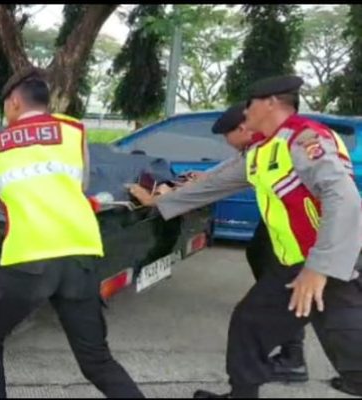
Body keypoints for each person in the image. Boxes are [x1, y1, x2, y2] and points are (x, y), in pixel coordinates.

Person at [135, 75, 362, 398]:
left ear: (271, 103)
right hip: (293, 264)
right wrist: (158, 203)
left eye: (250, 105)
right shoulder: (262, 149)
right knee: (248, 325)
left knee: (351, 352)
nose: (245, 113)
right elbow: (215, 183)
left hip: (326, 264)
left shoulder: (303, 139)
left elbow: (344, 198)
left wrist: (319, 267)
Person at [0, 68, 144, 399]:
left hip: (28, 258)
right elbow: (80, 184)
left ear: (14, 102)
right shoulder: (74, 131)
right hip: (80, 255)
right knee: (96, 360)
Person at [131, 102, 310, 383]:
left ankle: (294, 359)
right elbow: (230, 169)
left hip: (303, 237)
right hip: (286, 229)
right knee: (261, 262)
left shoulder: (271, 148)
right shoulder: (262, 145)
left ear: (243, 128)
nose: (226, 142)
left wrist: (156, 201)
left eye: (228, 135)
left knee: (266, 308)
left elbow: (220, 184)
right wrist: (203, 177)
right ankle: (289, 357)